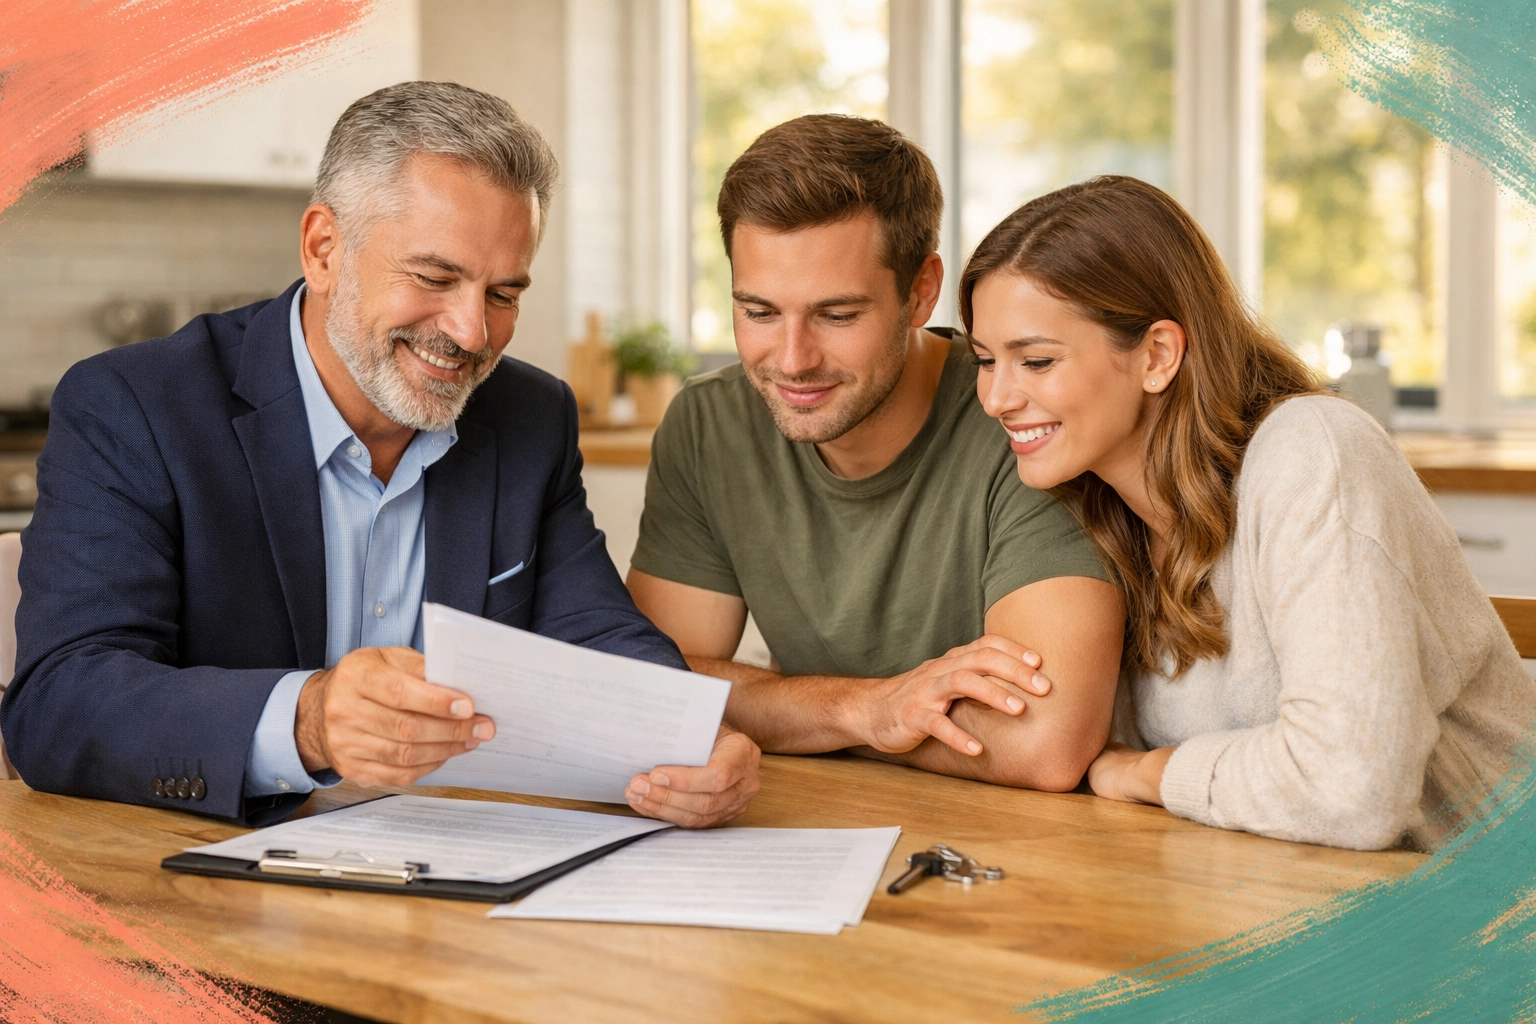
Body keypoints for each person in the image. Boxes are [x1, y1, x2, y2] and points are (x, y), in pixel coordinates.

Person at [2, 81, 759, 829]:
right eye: (434, 278)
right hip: (203, 883)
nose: (470, 333)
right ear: (324, 248)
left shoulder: (531, 417)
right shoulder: (135, 407)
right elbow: (59, 703)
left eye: (504, 293)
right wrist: (308, 721)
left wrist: (691, 737)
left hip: (462, 870)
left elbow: (597, 634)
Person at [962, 174, 1536, 851]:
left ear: (1156, 355)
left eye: (1034, 360)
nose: (998, 397)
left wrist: (1147, 773)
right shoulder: (1100, 512)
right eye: (984, 361)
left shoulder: (1314, 453)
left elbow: (1354, 789)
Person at [627, 115, 1124, 791]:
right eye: (759, 312)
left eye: (837, 316)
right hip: (812, 824)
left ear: (921, 291)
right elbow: (654, 687)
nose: (793, 361)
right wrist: (865, 711)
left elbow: (1043, 742)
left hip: (1030, 850)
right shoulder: (709, 424)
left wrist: (788, 715)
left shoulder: (1025, 423)